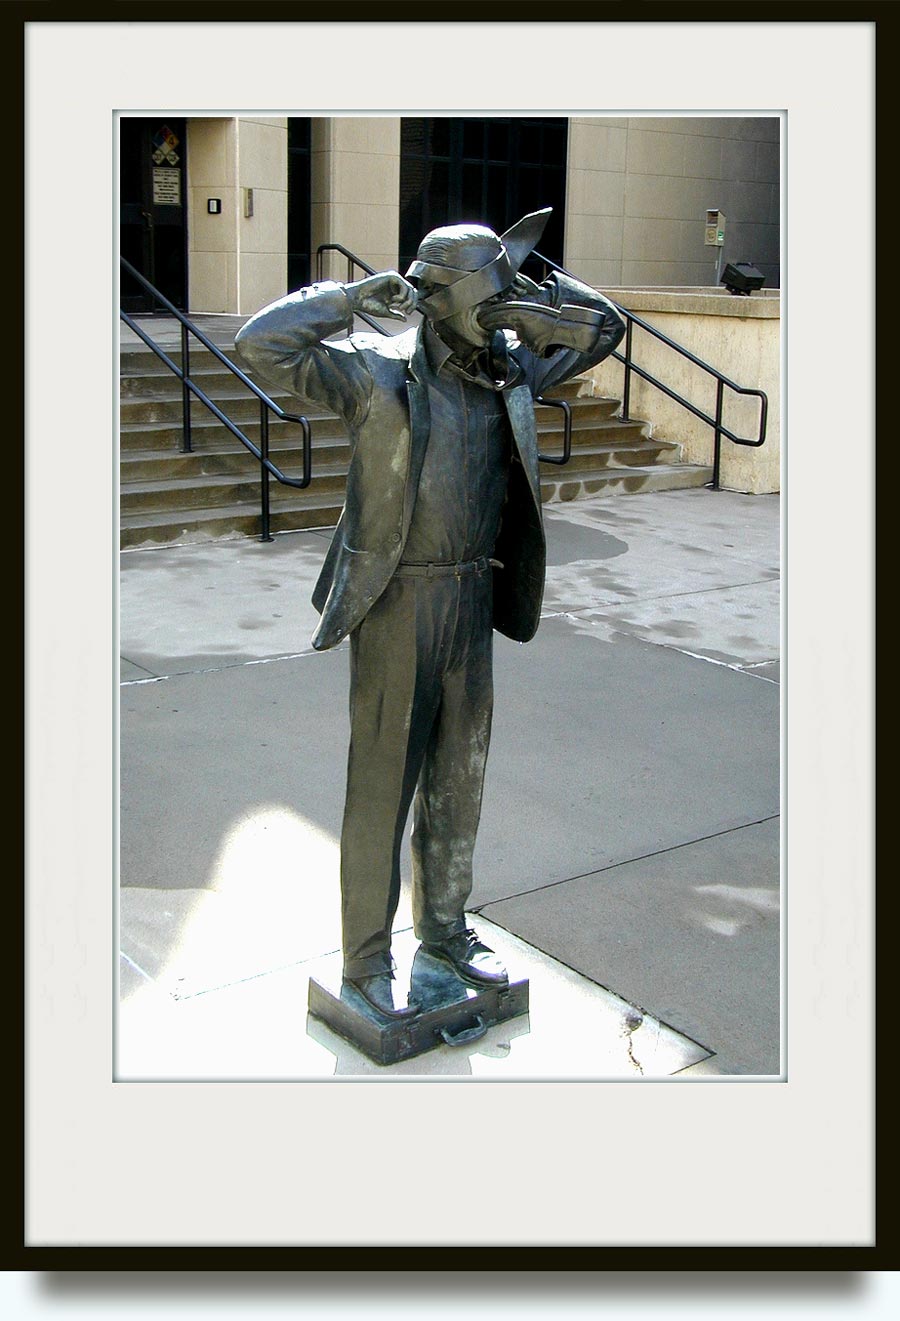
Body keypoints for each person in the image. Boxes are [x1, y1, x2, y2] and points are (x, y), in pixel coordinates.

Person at [235, 208, 625, 1018]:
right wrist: (348, 296)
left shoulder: (510, 372)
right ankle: (366, 963)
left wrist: (532, 294)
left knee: (459, 780)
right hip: (397, 604)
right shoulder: (374, 372)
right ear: (443, 298)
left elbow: (604, 329)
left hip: (472, 597)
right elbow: (261, 344)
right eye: (491, 293)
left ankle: (446, 929)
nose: (504, 309)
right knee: (383, 788)